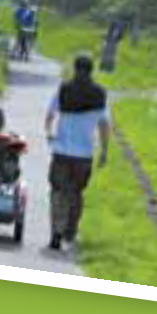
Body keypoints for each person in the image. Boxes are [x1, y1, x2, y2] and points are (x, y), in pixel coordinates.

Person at [45, 54, 110, 250]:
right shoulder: (99, 94)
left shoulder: (64, 90)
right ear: (92, 71)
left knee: (58, 192)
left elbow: (49, 115)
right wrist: (104, 150)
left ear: (74, 68)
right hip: (84, 155)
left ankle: (56, 232)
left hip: (62, 151)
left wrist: (49, 133)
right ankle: (70, 230)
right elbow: (104, 125)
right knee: (76, 193)